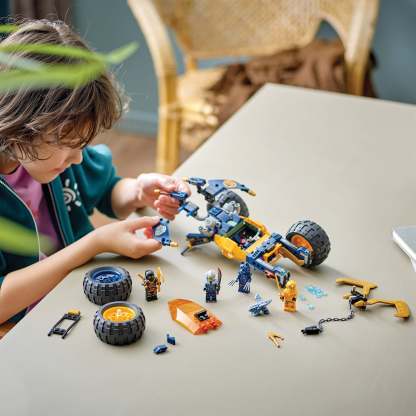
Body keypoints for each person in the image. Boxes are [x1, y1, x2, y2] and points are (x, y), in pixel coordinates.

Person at [0, 19, 190, 325]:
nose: (78, 158)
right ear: (20, 124)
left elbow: (107, 190)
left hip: (77, 298)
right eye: (68, 144)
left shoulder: (56, 158)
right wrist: (94, 244)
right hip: (21, 328)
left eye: (82, 145)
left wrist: (137, 190)